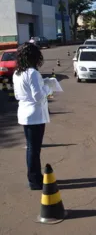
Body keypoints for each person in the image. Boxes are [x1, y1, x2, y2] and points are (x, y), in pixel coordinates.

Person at [13, 43, 52, 190]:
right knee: (33, 149)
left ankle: (34, 177)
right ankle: (35, 180)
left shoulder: (17, 73)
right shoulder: (32, 73)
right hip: (35, 115)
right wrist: (48, 88)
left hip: (24, 112)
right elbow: (38, 96)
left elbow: (17, 95)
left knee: (32, 148)